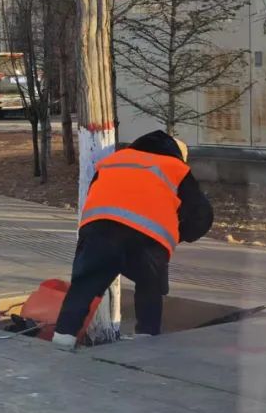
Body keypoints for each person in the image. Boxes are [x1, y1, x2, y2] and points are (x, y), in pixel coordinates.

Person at [52, 130, 213, 349]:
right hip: (147, 238)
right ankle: (146, 341)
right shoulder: (175, 168)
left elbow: (95, 192)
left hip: (99, 231)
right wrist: (181, 233)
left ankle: (62, 339)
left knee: (84, 285)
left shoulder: (112, 161)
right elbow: (202, 215)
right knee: (149, 287)